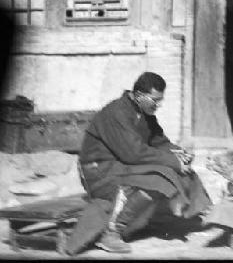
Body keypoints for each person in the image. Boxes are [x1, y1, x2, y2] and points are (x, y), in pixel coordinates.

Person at [68, 72, 212, 254]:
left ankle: (200, 211)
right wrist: (173, 162)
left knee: (178, 170)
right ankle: (111, 233)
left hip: (121, 165)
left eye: (161, 100)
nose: (159, 105)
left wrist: (180, 154)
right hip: (99, 171)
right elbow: (133, 153)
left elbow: (159, 141)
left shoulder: (143, 112)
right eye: (155, 100)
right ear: (139, 95)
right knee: (158, 178)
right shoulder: (116, 113)